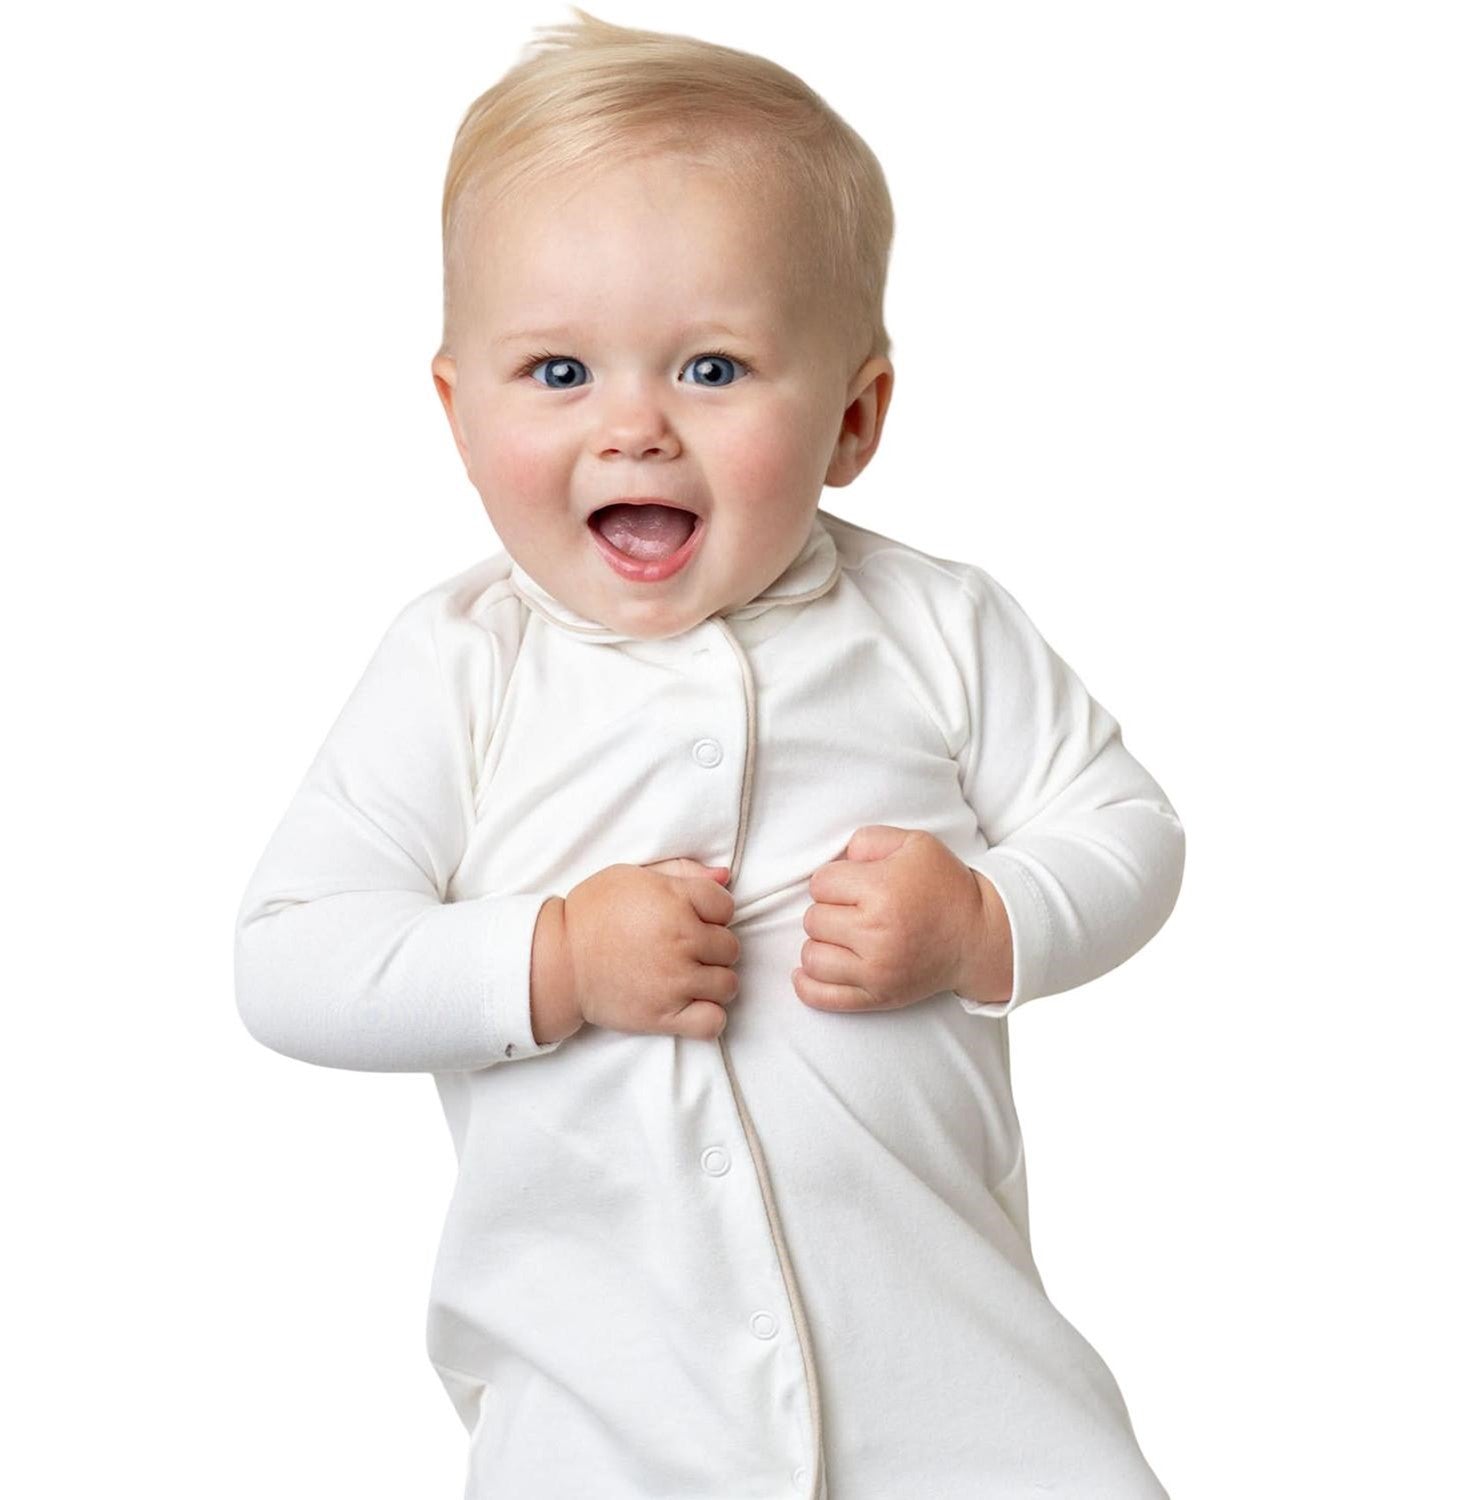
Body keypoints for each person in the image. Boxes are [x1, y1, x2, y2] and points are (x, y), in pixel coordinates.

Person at [233, 9, 1186, 1497]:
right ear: (457, 413)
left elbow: (1127, 828)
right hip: (606, 1414)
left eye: (715, 369)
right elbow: (291, 958)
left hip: (955, 1387)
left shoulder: (935, 625)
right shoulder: (459, 667)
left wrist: (985, 922)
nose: (634, 429)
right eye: (558, 371)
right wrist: (554, 958)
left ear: (854, 416)